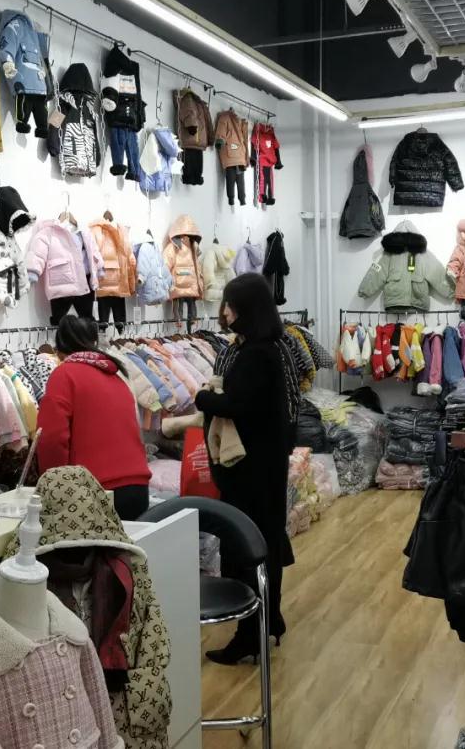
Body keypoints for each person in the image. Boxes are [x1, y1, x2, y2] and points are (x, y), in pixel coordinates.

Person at [194, 273, 299, 664]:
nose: (224, 312)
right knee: (263, 541)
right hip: (264, 466)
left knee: (246, 548)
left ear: (245, 309)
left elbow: (237, 406)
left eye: (229, 305)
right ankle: (267, 620)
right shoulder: (267, 349)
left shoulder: (255, 354)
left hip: (250, 471)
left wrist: (203, 398)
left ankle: (249, 634)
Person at [36, 315, 152, 520]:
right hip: (137, 487)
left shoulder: (64, 375)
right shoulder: (115, 374)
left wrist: (53, 488)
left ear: (59, 348)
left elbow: (52, 439)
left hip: (94, 491)